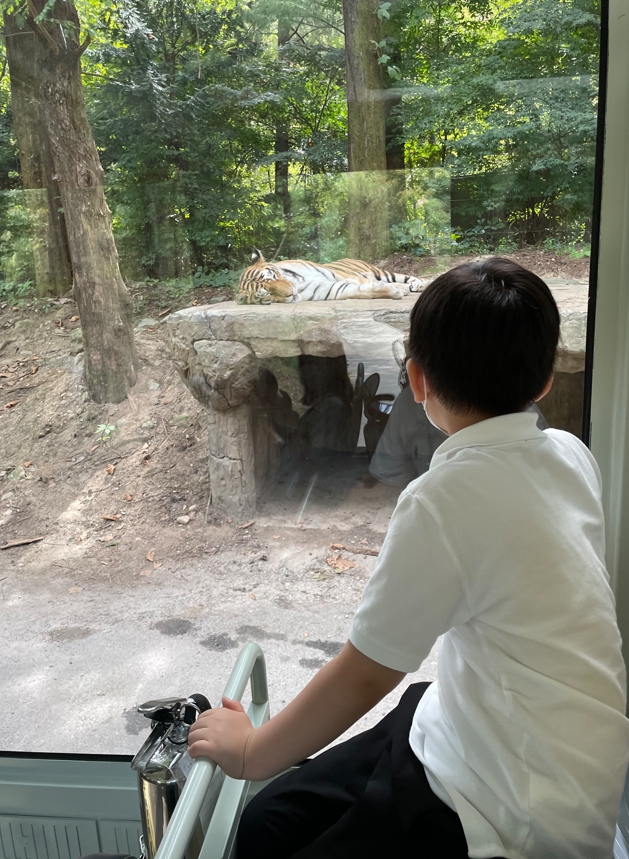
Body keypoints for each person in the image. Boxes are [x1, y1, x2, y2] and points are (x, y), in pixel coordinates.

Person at [188, 258, 629, 859]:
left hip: (513, 806)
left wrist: (250, 752)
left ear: (416, 380)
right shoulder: (570, 453)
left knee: (267, 830)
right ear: (547, 380)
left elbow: (368, 672)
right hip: (489, 732)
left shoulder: (442, 500)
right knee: (272, 819)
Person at [368, 384, 549, 488]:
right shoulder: (561, 444)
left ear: (416, 378)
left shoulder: (412, 402)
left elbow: (388, 479)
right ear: (544, 385)